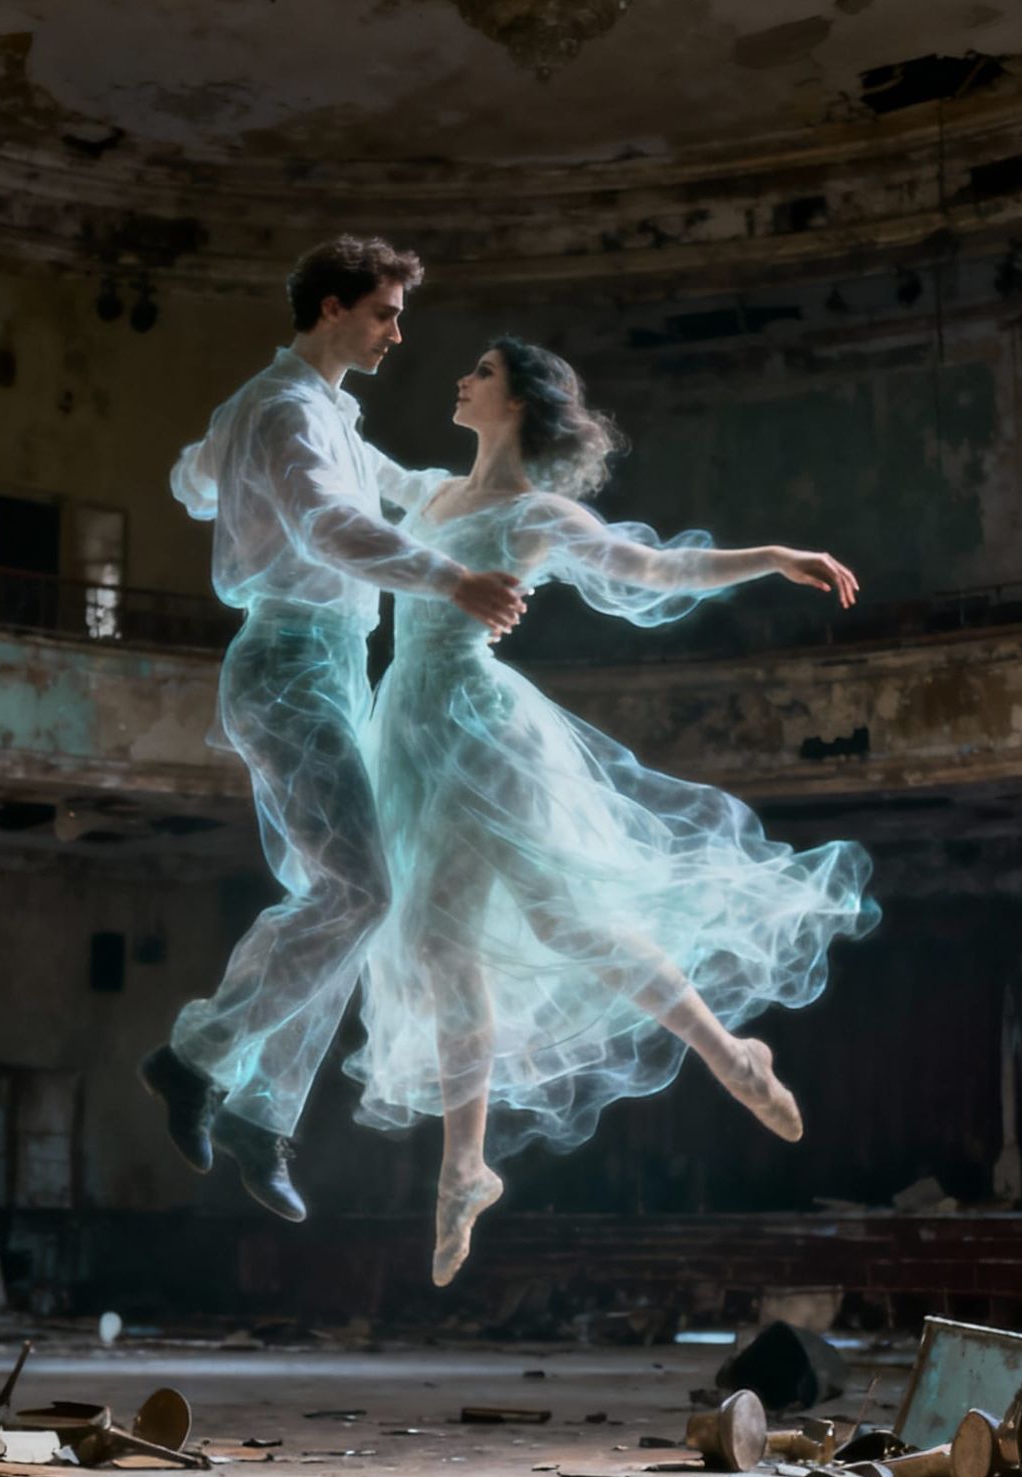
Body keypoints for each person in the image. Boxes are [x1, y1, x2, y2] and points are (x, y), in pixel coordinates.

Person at [345, 338, 881, 1285]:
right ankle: (465, 1166)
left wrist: (772, 558)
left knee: (563, 914)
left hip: (480, 723)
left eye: (481, 372)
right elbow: (339, 467)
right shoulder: (428, 493)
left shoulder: (535, 515)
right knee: (439, 945)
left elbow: (651, 570)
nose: (460, 379)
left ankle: (730, 1054)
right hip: (413, 735)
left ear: (518, 402)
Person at [139, 239, 527, 1222]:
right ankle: (196, 1062)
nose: (398, 333)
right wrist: (453, 579)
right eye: (384, 313)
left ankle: (256, 1116)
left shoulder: (303, 412)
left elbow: (205, 480)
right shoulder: (282, 411)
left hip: (327, 664)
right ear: (329, 308)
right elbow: (323, 523)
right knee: (360, 890)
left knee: (344, 900)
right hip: (288, 663)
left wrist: (477, 493)